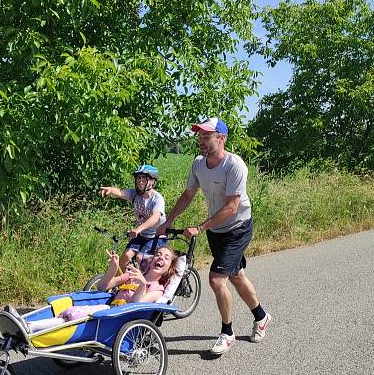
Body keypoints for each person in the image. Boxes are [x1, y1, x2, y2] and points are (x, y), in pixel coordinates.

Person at [157, 117, 271, 355]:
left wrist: (200, 228)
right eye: (199, 136)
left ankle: (226, 333)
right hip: (217, 230)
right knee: (237, 276)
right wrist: (168, 221)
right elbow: (188, 195)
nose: (201, 141)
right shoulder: (198, 164)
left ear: (221, 138)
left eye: (207, 137)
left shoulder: (234, 165)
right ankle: (261, 317)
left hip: (237, 227)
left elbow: (231, 207)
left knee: (217, 279)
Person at [21, 246, 179, 333]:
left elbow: (136, 306)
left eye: (166, 257)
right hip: (109, 311)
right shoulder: (133, 274)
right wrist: (113, 268)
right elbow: (103, 286)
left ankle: (30, 327)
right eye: (158, 254)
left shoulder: (157, 289)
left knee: (74, 314)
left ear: (168, 268)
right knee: (72, 309)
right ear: (151, 261)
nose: (160, 258)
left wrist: (142, 285)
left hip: (118, 318)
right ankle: (27, 322)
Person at [99, 164, 167, 271]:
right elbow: (121, 193)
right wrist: (111, 190)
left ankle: (146, 285)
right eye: (138, 178)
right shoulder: (135, 194)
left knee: (141, 258)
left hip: (157, 237)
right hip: (141, 235)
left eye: (144, 178)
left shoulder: (157, 199)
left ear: (152, 181)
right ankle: (120, 284)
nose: (140, 181)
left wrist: (138, 229)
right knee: (125, 256)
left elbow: (155, 218)